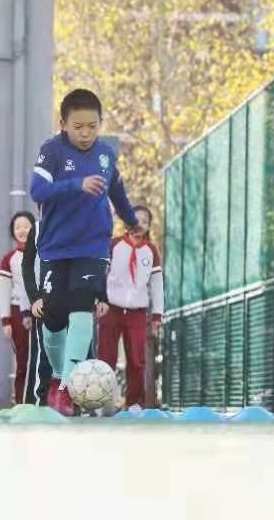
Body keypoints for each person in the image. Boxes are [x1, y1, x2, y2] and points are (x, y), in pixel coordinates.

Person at [30, 88, 138, 415]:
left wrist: (131, 220)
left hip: (92, 245)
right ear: (63, 123)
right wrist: (76, 184)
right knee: (53, 318)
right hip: (55, 246)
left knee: (81, 306)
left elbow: (116, 188)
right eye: (78, 127)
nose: (86, 133)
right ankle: (56, 378)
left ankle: (67, 387)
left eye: (92, 126)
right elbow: (37, 190)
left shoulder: (106, 154)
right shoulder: (51, 151)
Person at [98, 206, 163, 408]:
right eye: (136, 219)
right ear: (126, 221)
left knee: (136, 360)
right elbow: (100, 274)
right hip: (111, 309)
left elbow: (157, 285)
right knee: (106, 356)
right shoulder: (114, 245)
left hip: (137, 312)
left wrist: (156, 316)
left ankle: (134, 402)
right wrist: (99, 300)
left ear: (148, 226)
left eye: (145, 221)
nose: (140, 224)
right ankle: (104, 400)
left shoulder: (151, 251)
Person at [0, 211, 35, 403]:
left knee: (41, 359)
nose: (22, 230)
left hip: (41, 311)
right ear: (13, 232)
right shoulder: (9, 259)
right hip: (16, 313)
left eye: (26, 226)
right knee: (22, 361)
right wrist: (6, 320)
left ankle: (39, 400)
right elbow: (3, 292)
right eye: (17, 227)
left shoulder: (43, 255)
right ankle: (20, 401)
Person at [21, 221, 53, 406]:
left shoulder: (78, 221)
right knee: (44, 354)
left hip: (74, 299)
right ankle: (38, 403)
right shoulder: (39, 227)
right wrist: (35, 298)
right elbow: (27, 266)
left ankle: (78, 404)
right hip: (46, 300)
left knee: (76, 354)